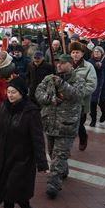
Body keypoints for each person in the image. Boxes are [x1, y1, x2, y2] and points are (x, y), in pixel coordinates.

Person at [0, 77, 47, 208]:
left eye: (14, 92)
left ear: (22, 93)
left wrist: (42, 163)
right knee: (4, 188)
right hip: (4, 156)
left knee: (15, 190)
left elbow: (37, 138)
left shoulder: (31, 112)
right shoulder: (4, 107)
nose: (10, 95)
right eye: (8, 92)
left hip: (22, 158)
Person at [35, 54, 89, 199]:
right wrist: (50, 99)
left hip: (67, 125)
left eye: (63, 63)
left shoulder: (78, 80)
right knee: (53, 153)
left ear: (71, 64)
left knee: (59, 156)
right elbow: (38, 93)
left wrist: (62, 85)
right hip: (49, 122)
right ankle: (62, 171)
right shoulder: (49, 79)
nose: (59, 65)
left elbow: (77, 95)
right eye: (58, 63)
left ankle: (53, 184)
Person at [68, 42, 97, 150]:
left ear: (82, 53)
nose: (75, 54)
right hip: (67, 101)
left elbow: (91, 84)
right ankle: (67, 146)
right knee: (68, 124)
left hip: (82, 102)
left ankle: (83, 138)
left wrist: (78, 93)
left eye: (77, 52)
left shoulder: (88, 67)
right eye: (73, 52)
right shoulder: (67, 64)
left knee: (79, 124)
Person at [88, 47, 105, 126]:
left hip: (104, 85)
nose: (96, 53)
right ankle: (93, 120)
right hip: (93, 85)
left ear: (102, 53)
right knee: (92, 103)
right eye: (95, 51)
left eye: (98, 51)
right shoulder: (90, 61)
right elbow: (90, 67)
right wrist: (96, 65)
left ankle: (104, 112)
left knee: (101, 102)